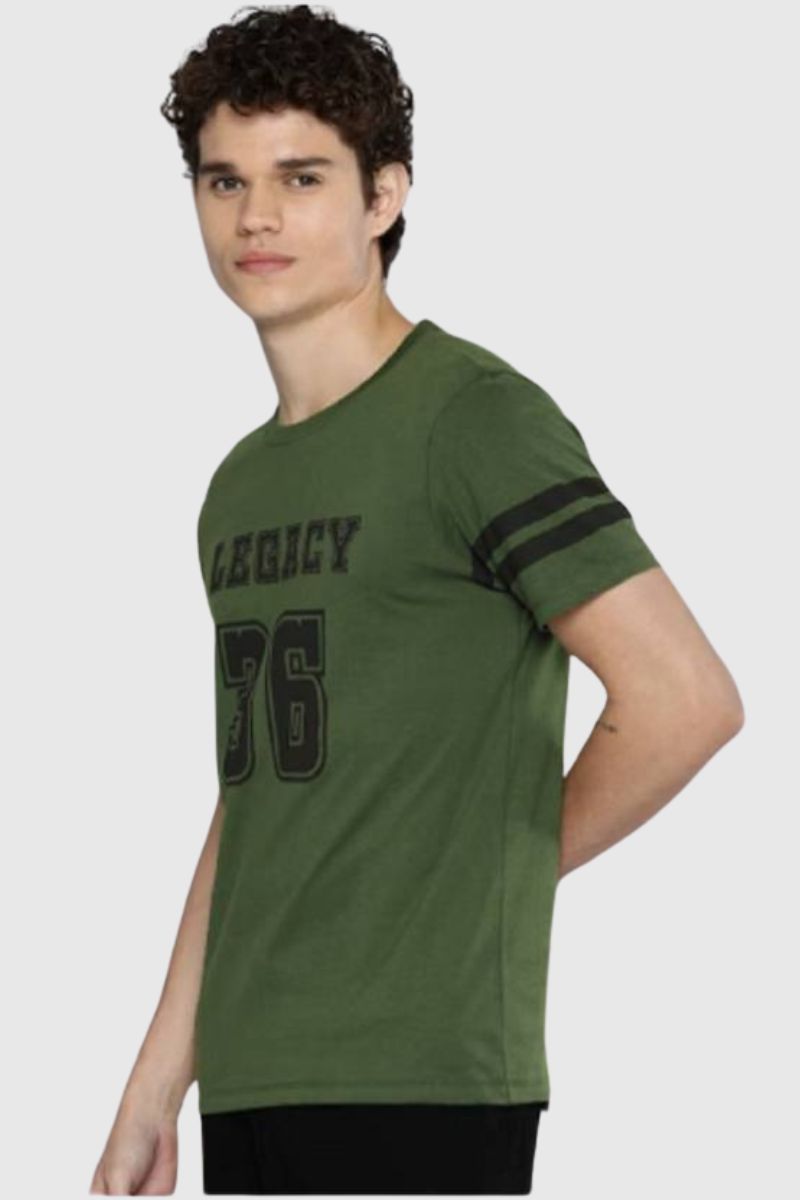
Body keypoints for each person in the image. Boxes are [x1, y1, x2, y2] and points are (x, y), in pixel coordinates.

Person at [89, 4, 745, 1195]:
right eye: (224, 181)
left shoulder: (472, 421)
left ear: (383, 196)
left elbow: (683, 698)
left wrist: (483, 872)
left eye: (300, 178)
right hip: (254, 1068)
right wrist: (156, 1078)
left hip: (421, 1074)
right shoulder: (239, 488)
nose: (256, 217)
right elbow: (259, 795)